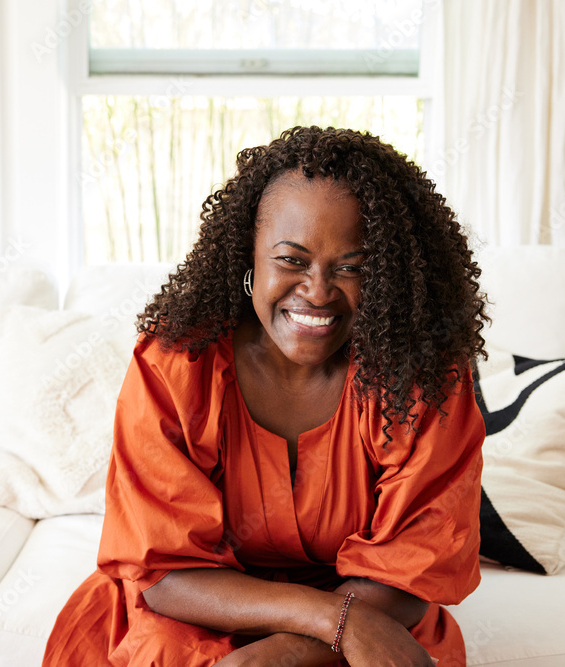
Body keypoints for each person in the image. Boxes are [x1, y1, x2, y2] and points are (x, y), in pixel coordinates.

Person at [43, 126, 488, 666]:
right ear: (247, 256)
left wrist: (284, 654)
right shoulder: (177, 364)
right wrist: (333, 621)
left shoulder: (421, 381)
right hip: (194, 611)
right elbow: (163, 574)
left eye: (352, 267)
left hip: (374, 612)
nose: (317, 292)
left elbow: (413, 571)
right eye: (292, 260)